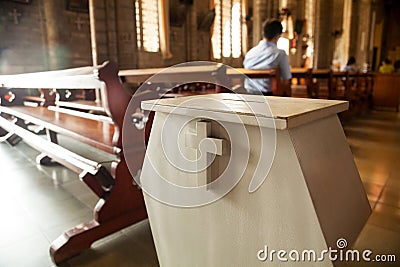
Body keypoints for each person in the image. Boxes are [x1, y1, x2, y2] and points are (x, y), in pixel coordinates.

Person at [243, 19, 292, 95]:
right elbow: (286, 80)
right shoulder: (280, 54)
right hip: (268, 96)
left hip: (247, 94)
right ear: (277, 36)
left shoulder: (250, 52)